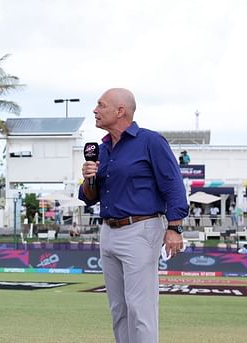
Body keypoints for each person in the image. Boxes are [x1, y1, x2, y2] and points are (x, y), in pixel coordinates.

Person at [79, 88, 187, 343]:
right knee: (119, 310)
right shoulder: (102, 150)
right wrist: (87, 178)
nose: (95, 110)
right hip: (108, 231)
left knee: (141, 309)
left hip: (141, 230)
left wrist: (175, 227)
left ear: (120, 111)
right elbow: (89, 196)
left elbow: (173, 184)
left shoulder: (150, 141)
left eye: (100, 105)